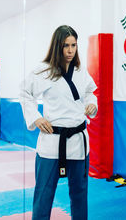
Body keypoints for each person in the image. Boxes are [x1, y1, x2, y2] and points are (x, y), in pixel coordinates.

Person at [19, 25, 97, 220]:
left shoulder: (80, 71)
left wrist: (92, 104)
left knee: (79, 193)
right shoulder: (44, 70)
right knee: (44, 194)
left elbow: (89, 92)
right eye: (66, 46)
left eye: (74, 45)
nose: (70, 51)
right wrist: (36, 117)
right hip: (52, 142)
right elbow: (24, 92)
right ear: (57, 46)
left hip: (78, 142)